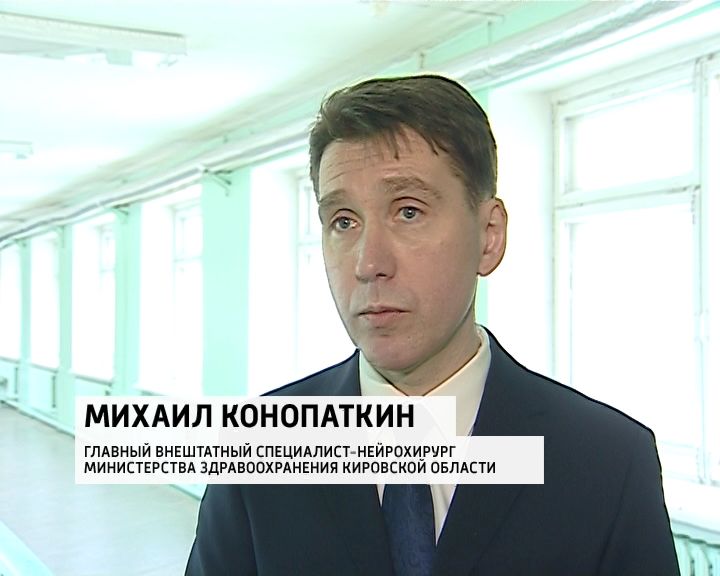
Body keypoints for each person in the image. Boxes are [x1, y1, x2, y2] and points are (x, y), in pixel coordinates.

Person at [185, 74, 680, 575]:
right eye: (344, 221)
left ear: (489, 236)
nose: (368, 263)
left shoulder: (608, 462)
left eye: (408, 211)